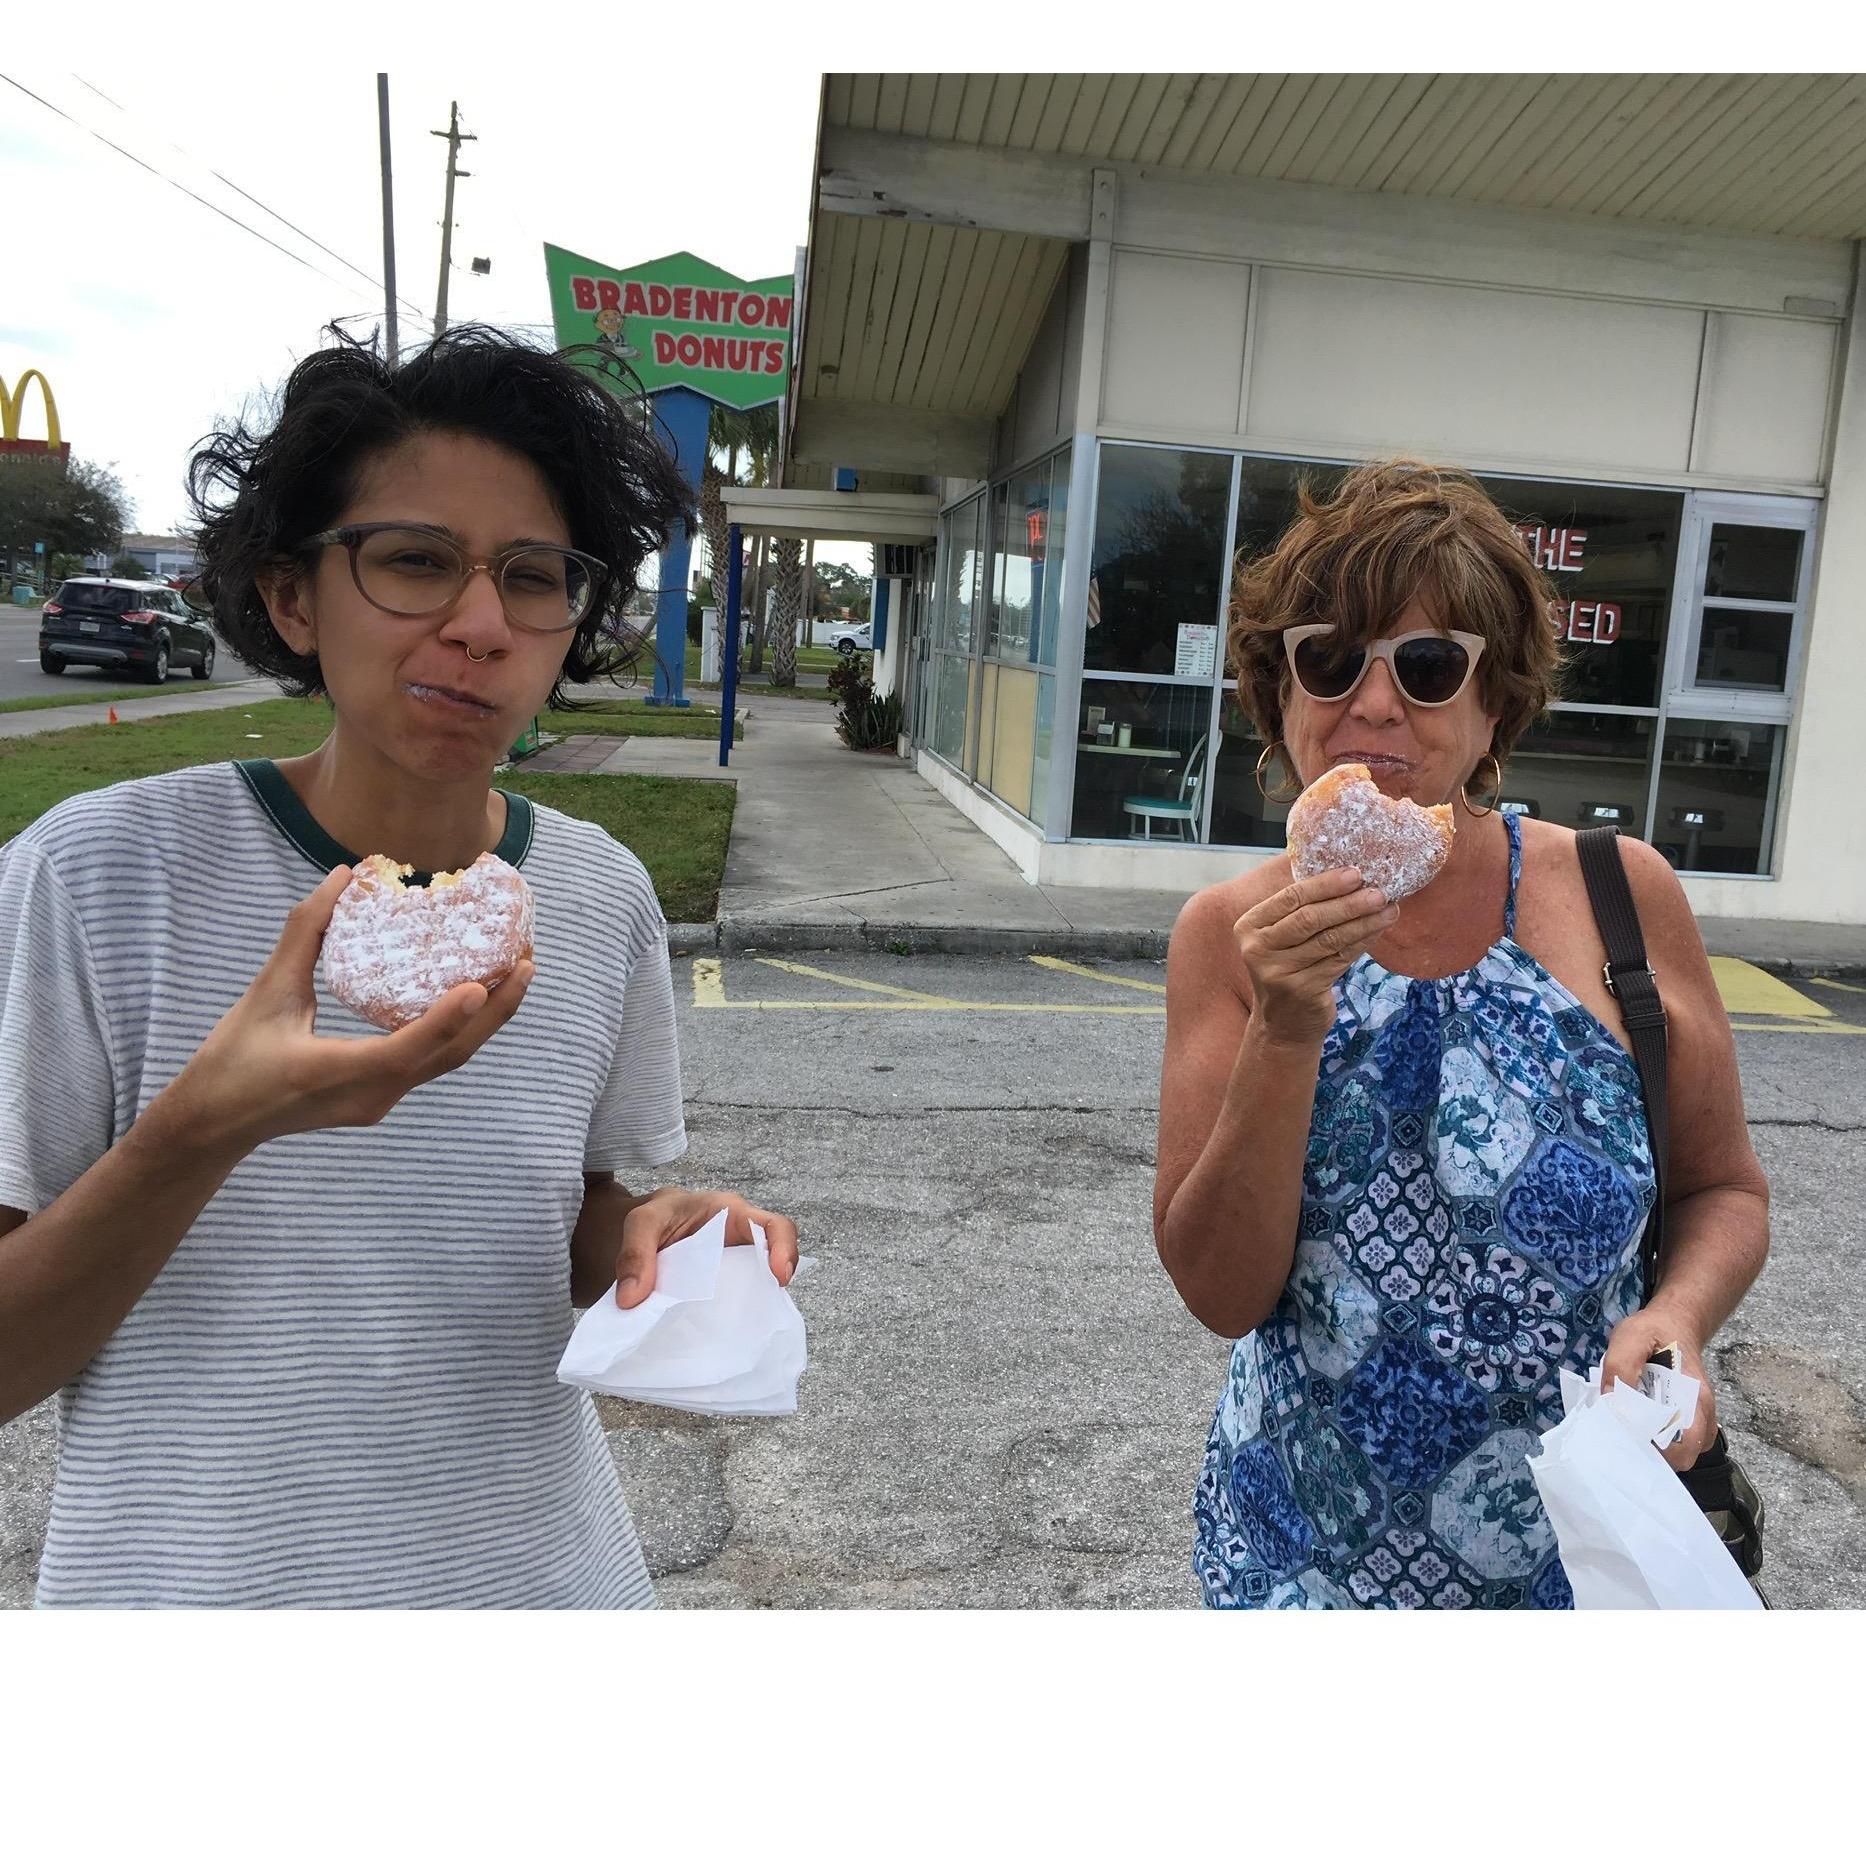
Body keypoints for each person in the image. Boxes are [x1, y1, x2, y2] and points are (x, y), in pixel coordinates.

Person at [0, 325, 798, 1608]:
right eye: (416, 561)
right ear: (290, 596)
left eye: (535, 577)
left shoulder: (596, 896)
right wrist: (200, 1131)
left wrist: (646, 1235)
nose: (482, 625)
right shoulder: (99, 876)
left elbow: (570, 1211)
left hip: (541, 1586)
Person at [1154, 459, 1768, 1609]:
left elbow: (1726, 1190)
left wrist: (1677, 1317)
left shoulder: (1621, 897)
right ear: (1277, 693)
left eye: (1430, 668)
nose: (1375, 706)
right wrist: (1287, 1025)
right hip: (1306, 1557)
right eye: (1330, 659)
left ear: (1496, 707)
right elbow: (1220, 1293)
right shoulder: (1229, 935)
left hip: (1582, 1554)